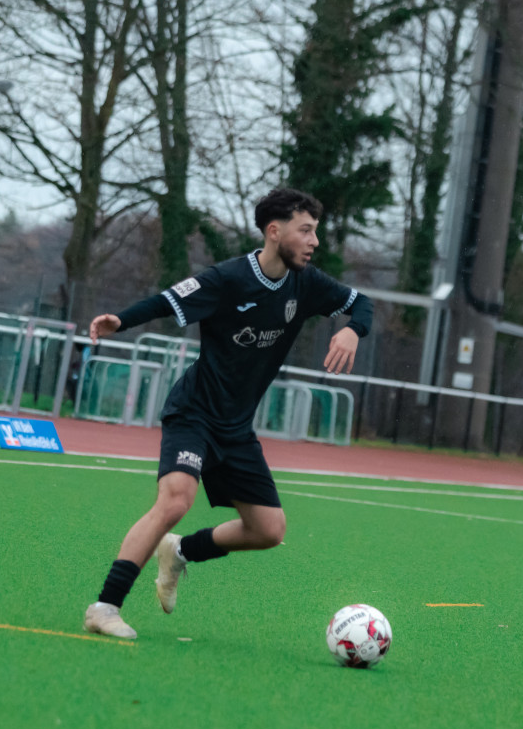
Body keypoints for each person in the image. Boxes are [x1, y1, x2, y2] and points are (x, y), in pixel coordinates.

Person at [82, 188, 373, 639]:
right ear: (274, 232)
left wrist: (354, 329)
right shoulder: (229, 278)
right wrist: (120, 321)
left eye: (315, 231)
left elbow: (362, 304)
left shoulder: (307, 282)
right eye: (306, 230)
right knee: (176, 499)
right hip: (195, 412)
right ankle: (104, 607)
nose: (315, 241)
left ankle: (180, 552)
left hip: (236, 427)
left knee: (268, 530)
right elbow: (167, 301)